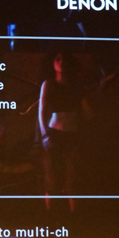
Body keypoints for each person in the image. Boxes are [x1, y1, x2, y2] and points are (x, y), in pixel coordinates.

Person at [37, 50, 97, 215]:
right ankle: (50, 213)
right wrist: (45, 135)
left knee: (71, 173)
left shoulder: (76, 86)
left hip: (72, 134)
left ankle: (73, 214)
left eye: (64, 59)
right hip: (54, 134)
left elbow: (88, 111)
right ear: (52, 63)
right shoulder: (48, 84)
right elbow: (41, 111)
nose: (61, 62)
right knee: (51, 172)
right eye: (58, 59)